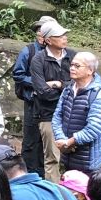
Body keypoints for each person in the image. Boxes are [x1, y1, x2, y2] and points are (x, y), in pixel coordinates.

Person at [52, 51, 101, 174]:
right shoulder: (68, 90)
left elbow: (95, 128)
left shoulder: (98, 94)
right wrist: (61, 139)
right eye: (72, 65)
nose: (72, 68)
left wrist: (70, 142)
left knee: (86, 192)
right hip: (67, 157)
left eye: (77, 66)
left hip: (88, 162)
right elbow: (57, 116)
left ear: (90, 70)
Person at [27, 20, 74, 181]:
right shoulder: (38, 60)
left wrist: (58, 84)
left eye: (64, 34)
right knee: (52, 157)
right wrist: (67, 91)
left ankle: (75, 193)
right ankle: (55, 196)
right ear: (48, 40)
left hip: (73, 113)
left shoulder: (73, 57)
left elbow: (81, 85)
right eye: (59, 35)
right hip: (48, 115)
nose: (64, 38)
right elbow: (43, 92)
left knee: (74, 156)